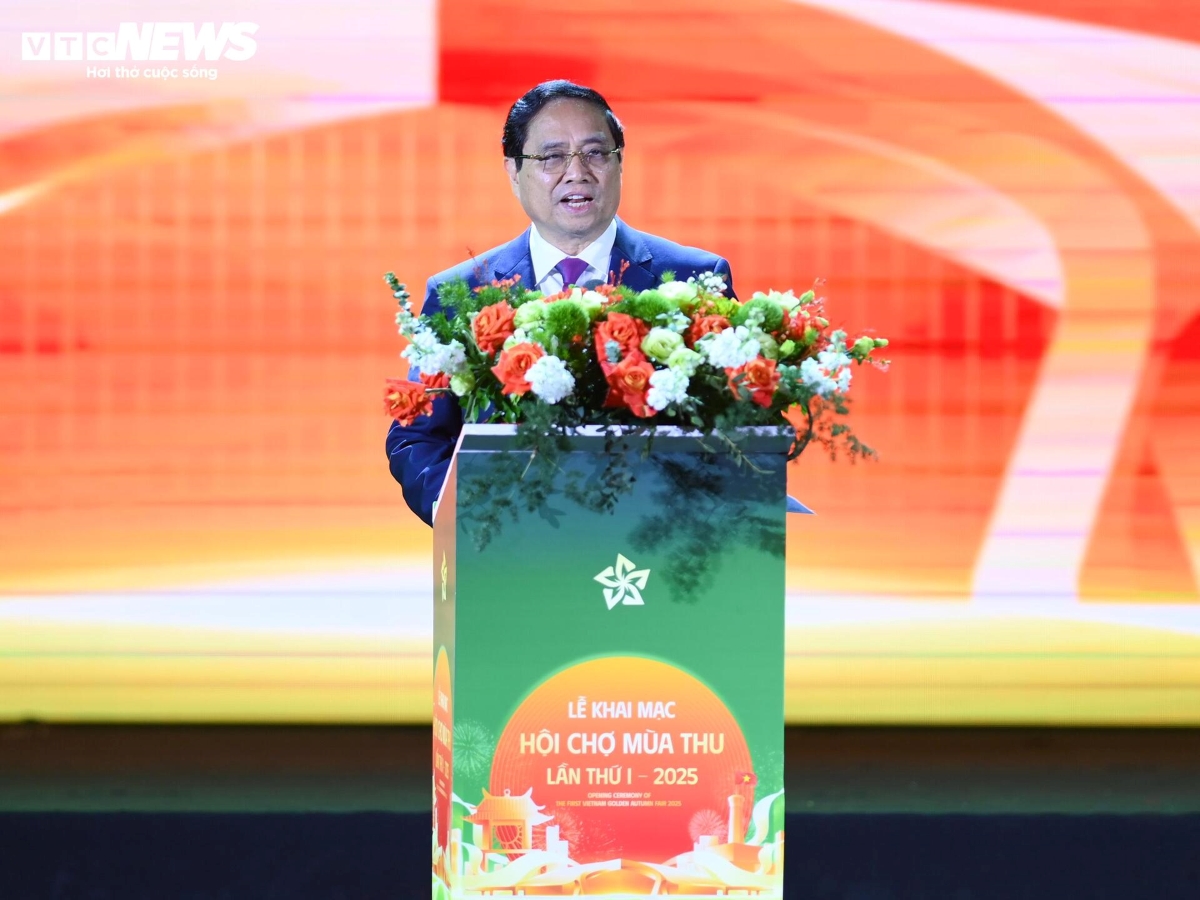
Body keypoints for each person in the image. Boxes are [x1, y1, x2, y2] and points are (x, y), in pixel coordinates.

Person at [386, 80, 736, 525]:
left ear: (620, 163)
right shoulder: (460, 295)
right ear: (514, 171)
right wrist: (466, 513)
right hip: (513, 544)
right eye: (552, 157)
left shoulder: (694, 279)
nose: (577, 173)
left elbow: (748, 425)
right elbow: (417, 437)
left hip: (659, 540)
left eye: (596, 153)